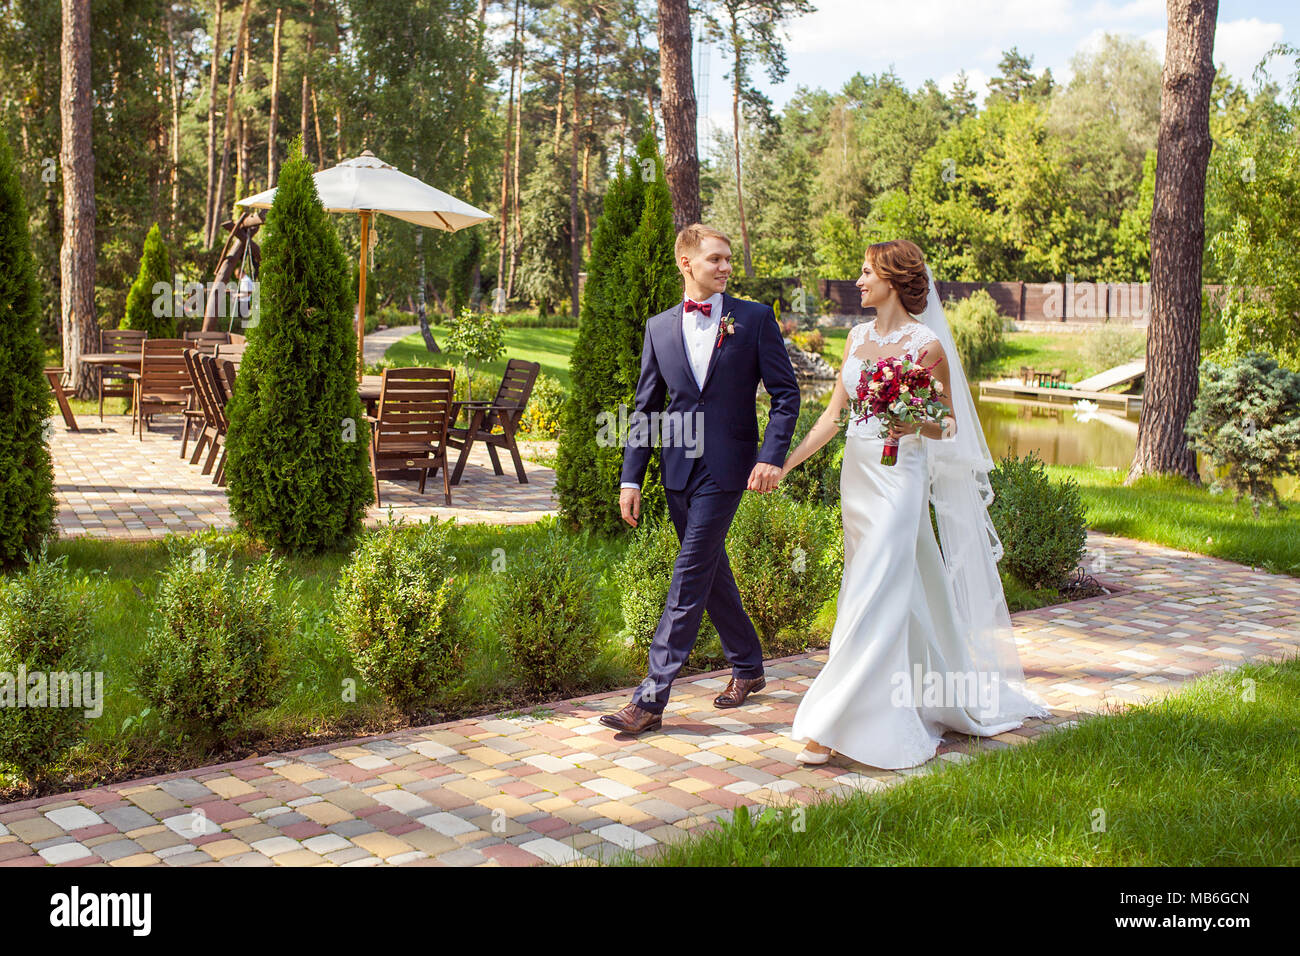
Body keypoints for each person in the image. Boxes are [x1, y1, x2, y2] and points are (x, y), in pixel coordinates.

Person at [779, 239, 1050, 768]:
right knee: (870, 586)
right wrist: (785, 465)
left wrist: (915, 423)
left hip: (899, 478)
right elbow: (835, 417)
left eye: (865, 272)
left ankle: (835, 720)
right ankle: (924, 691)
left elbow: (949, 424)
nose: (857, 281)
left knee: (874, 592)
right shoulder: (856, 338)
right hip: (856, 478)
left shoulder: (926, 346)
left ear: (892, 278)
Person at [599, 224, 801, 735]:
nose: (726, 266)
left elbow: (786, 395)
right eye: (715, 259)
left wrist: (771, 456)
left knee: (688, 574)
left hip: (729, 467)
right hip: (678, 468)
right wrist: (631, 479)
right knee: (710, 573)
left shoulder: (753, 319)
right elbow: (646, 410)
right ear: (686, 264)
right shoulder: (658, 327)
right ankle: (749, 665)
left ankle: (649, 699)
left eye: (728, 259)